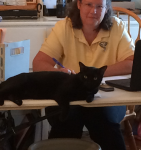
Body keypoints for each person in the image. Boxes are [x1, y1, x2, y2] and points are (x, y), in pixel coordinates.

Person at [33, 0, 134, 149]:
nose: (93, 11)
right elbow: (39, 63)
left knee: (104, 121)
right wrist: (58, 73)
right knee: (66, 119)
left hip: (106, 97)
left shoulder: (117, 26)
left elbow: (132, 63)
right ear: (79, 5)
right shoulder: (63, 27)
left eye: (99, 6)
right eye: (89, 4)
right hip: (69, 92)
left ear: (106, 9)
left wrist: (97, 74)